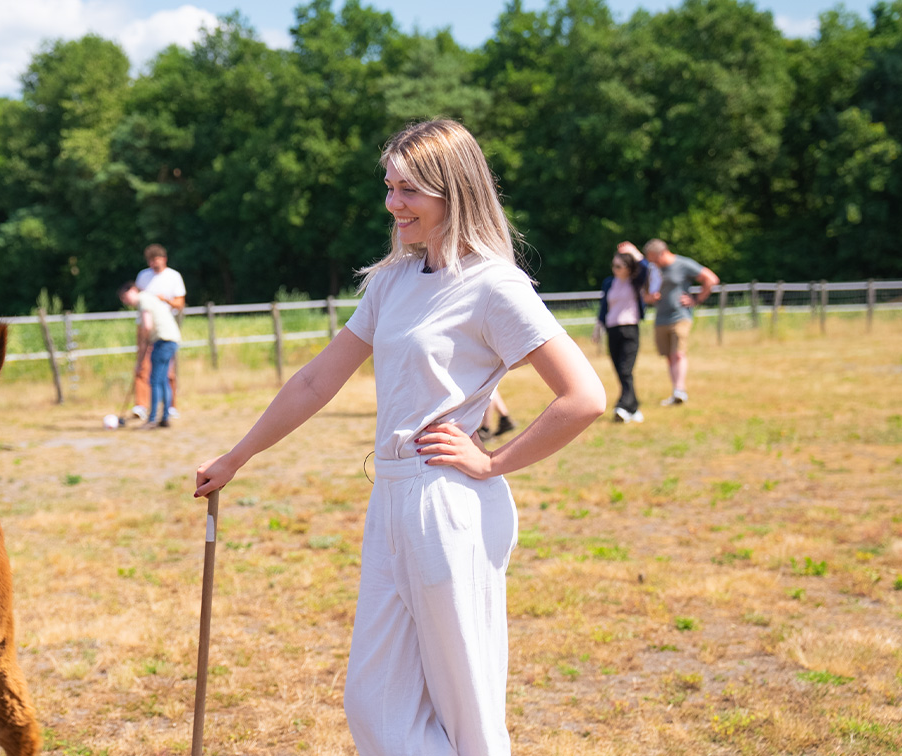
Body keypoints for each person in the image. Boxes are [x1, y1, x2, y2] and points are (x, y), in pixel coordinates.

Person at [194, 120, 605, 756]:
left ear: (454, 191)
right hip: (389, 497)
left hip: (448, 502)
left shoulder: (493, 285)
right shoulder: (392, 280)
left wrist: (493, 462)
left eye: (409, 190)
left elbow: (584, 397)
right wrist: (237, 456)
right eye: (389, 187)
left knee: (468, 712)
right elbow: (316, 380)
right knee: (376, 705)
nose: (393, 203)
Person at [642, 238, 720, 406]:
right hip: (661, 317)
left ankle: (680, 390)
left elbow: (711, 279)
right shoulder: (653, 270)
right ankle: (675, 391)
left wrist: (696, 299)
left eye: (654, 259)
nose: (653, 263)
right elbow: (645, 295)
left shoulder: (683, 264)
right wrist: (650, 298)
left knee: (678, 353)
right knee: (669, 356)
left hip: (680, 316)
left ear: (662, 253)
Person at [593, 249, 648, 423]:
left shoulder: (635, 282)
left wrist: (635, 253)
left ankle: (622, 406)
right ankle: (633, 407)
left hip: (630, 329)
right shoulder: (609, 283)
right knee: (619, 370)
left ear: (628, 268)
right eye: (614, 266)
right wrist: (598, 326)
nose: (615, 269)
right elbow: (604, 306)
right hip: (612, 329)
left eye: (619, 266)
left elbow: (647, 269)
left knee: (626, 369)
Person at [131, 244, 186, 420]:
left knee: (166, 372)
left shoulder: (173, 276)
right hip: (146, 326)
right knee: (143, 366)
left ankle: (169, 407)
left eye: (155, 260)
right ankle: (141, 405)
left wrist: (165, 300)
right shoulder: (143, 276)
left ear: (164, 259)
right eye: (150, 260)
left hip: (163, 329)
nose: (152, 264)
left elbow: (180, 303)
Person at [118, 282, 181, 429]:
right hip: (171, 340)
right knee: (163, 380)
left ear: (133, 290)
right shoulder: (149, 298)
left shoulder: (143, 300)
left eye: (125, 297)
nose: (126, 301)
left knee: (155, 380)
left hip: (162, 342)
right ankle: (164, 418)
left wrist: (145, 344)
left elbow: (147, 326)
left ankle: (152, 420)